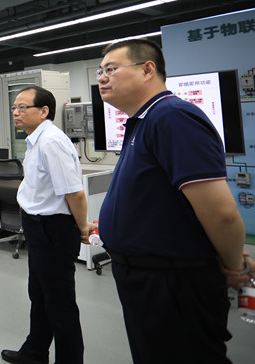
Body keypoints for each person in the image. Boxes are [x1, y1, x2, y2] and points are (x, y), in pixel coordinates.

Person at [96, 38, 253, 364]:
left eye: (111, 69)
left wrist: (234, 266)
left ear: (147, 70)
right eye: (100, 71)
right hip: (146, 278)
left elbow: (222, 214)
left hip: (172, 284)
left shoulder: (172, 116)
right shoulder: (144, 121)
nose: (102, 78)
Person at [0, 86, 89, 364]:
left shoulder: (51, 142)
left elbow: (74, 192)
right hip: (38, 226)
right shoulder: (35, 141)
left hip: (54, 229)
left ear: (44, 111)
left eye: (22, 107)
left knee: (59, 302)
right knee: (39, 295)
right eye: (14, 107)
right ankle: (35, 352)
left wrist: (82, 226)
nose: (16, 112)